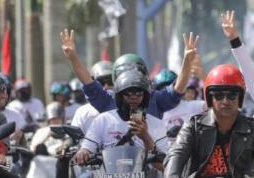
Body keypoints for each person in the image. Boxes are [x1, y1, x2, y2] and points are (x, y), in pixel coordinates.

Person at [60, 30, 196, 119]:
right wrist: (73, 57)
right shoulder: (107, 99)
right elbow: (88, 82)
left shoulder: (155, 99)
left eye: (137, 93)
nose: (133, 96)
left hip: (150, 160)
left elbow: (178, 90)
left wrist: (187, 61)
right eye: (127, 93)